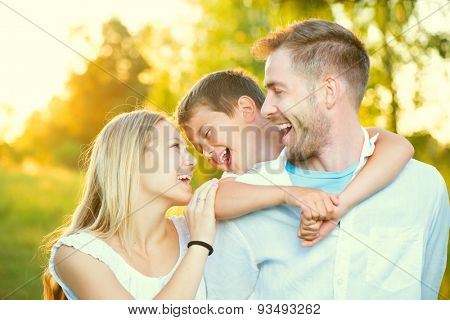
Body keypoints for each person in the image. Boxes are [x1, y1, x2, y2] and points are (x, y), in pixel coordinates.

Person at [194, 20, 448, 299]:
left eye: (278, 91)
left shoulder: (423, 187)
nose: (265, 109)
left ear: (328, 91)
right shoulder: (248, 197)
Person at [177, 69, 414, 246]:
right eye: (199, 149)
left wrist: (340, 205)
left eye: (207, 134)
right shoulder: (240, 178)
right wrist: (291, 194)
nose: (207, 152)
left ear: (246, 110)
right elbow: (215, 201)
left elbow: (399, 146)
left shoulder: (303, 137)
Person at [42, 110, 218, 299]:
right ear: (132, 160)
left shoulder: (195, 228)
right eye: (175, 146)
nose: (192, 161)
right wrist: (199, 246)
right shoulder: (77, 254)